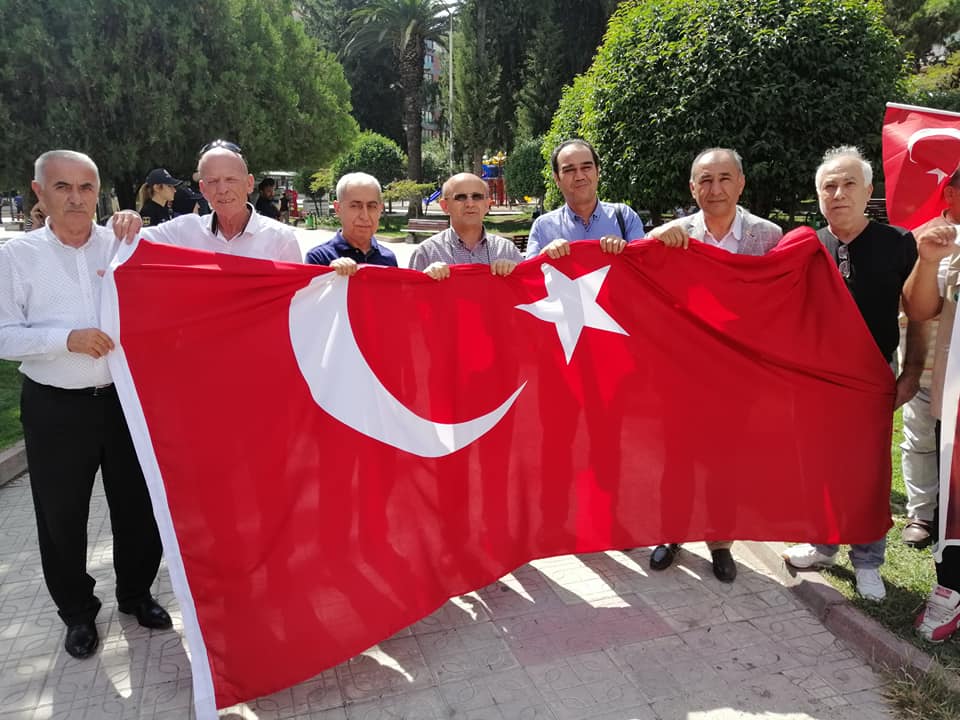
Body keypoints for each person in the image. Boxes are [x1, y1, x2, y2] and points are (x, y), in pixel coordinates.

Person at [0, 150, 172, 660]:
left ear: (99, 192)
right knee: (61, 516)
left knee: (138, 506)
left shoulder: (124, 244)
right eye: (62, 188)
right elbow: (4, 334)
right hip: (56, 408)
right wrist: (64, 339)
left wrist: (137, 222)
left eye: (86, 188)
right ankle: (77, 613)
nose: (76, 199)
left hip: (125, 403)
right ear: (40, 192)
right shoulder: (16, 256)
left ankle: (137, 595)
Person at [782, 145, 922, 602]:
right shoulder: (806, 245)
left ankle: (867, 561)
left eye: (847, 184)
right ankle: (823, 546)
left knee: (867, 472)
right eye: (828, 186)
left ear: (867, 191)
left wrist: (912, 369)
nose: (838, 193)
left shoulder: (899, 243)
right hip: (817, 377)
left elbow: (918, 313)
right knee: (818, 464)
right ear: (818, 195)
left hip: (873, 373)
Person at [644, 147, 783, 583]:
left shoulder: (768, 236)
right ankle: (671, 534)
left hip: (738, 375)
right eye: (706, 180)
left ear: (741, 183)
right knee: (677, 460)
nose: (715, 188)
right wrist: (651, 246)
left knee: (726, 461)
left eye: (725, 178)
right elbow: (639, 288)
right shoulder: (670, 235)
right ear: (692, 187)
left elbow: (779, 305)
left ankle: (720, 541)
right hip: (681, 373)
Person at [901, 178, 960, 641]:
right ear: (951, 194)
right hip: (951, 399)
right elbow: (919, 311)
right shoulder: (938, 241)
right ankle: (950, 588)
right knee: (952, 499)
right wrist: (930, 260)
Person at [112, 140, 301, 262]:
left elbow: (301, 304)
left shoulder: (280, 239)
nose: (222, 189)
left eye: (231, 179)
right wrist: (127, 219)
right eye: (213, 181)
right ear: (203, 189)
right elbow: (117, 241)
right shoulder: (183, 232)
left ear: (249, 184)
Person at [524, 139, 645, 259]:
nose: (579, 176)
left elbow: (644, 264)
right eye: (569, 170)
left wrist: (626, 251)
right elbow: (530, 277)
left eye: (586, 167)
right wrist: (543, 257)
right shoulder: (542, 227)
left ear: (598, 172)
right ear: (556, 178)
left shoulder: (624, 217)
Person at [409, 172, 522, 279]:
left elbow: (528, 293)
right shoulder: (426, 254)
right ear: (445, 206)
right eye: (461, 197)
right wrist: (425, 281)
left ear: (487, 204)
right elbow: (409, 297)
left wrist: (515, 275)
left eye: (477, 197)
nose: (470, 204)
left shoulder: (507, 251)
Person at [305, 172, 397, 275]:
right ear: (338, 208)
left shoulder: (389, 260)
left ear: (380, 209)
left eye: (372, 206)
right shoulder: (319, 259)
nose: (365, 216)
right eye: (355, 206)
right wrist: (330, 275)